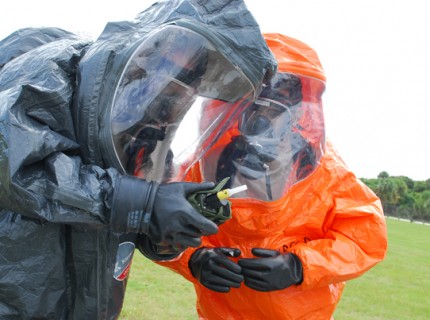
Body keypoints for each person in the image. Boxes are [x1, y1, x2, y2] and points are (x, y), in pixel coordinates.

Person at [0, 1, 277, 319]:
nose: (186, 80)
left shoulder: (146, 126)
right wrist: (144, 204)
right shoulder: (57, 69)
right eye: (188, 60)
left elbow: (132, 220)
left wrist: (170, 227)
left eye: (197, 73)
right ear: (160, 38)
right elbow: (14, 161)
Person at [156, 33, 388, 319]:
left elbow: (365, 238)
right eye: (253, 102)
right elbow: (163, 222)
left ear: (298, 108)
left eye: (277, 102)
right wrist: (196, 259)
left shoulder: (325, 172)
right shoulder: (207, 163)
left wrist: (299, 266)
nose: (263, 114)